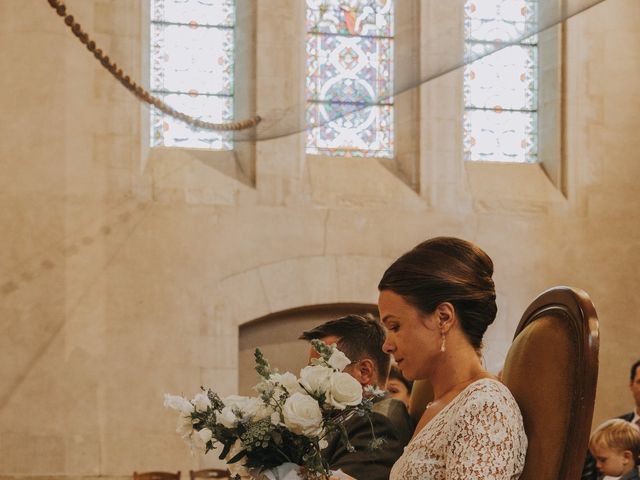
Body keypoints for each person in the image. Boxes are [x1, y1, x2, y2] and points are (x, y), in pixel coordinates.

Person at [334, 236, 527, 480]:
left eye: (395, 326)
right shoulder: (437, 403)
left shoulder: (484, 407)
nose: (387, 345)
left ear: (443, 318)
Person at [299, 314, 414, 480]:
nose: (309, 381)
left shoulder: (376, 422)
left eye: (320, 370)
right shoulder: (348, 417)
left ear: (364, 371)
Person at [583, 360, 640, 480]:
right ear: (631, 384)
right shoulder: (611, 428)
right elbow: (589, 471)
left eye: (602, 460)